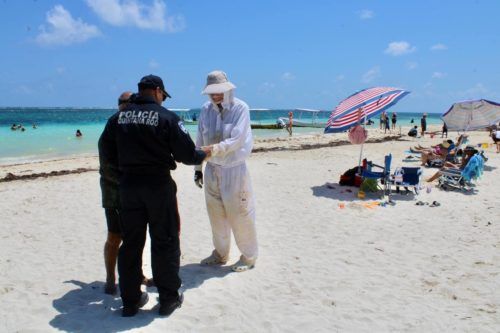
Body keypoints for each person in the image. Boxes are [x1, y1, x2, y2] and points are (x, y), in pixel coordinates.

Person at [100, 74, 208, 317]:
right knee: (165, 240)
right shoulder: (167, 117)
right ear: (158, 91)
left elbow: (105, 152)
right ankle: (168, 299)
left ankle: (130, 301)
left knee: (131, 243)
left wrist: (122, 176)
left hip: (128, 186)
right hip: (158, 185)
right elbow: (188, 155)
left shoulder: (118, 118)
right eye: (163, 95)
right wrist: (204, 155)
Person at [195, 70, 258, 273]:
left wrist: (213, 149)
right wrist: (198, 168)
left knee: (240, 215)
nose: (215, 96)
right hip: (212, 169)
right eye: (211, 92)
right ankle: (220, 254)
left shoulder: (241, 108)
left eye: (219, 92)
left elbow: (237, 140)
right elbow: (199, 139)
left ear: (227, 89)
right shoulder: (206, 110)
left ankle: (248, 257)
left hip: (234, 170)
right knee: (216, 216)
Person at [98, 91, 152, 295]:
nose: (127, 105)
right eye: (123, 102)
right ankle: (110, 278)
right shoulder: (112, 125)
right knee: (114, 236)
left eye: (131, 102)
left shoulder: (135, 125)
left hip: (133, 189)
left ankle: (137, 274)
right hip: (114, 191)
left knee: (136, 236)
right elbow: (107, 164)